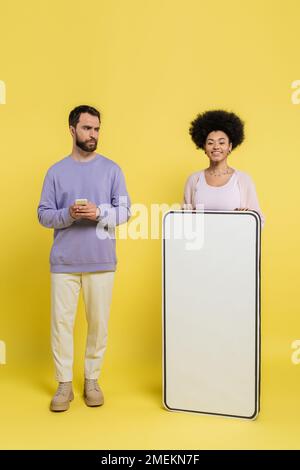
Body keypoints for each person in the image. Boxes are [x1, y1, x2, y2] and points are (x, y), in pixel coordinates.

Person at [37, 105, 131, 412]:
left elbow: (126, 211)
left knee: (98, 325)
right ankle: (64, 384)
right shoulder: (56, 171)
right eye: (88, 128)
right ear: (72, 130)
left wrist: (99, 212)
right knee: (61, 324)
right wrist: (68, 214)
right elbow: (43, 214)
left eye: (97, 129)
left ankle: (92, 380)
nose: (93, 134)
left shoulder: (112, 170)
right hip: (64, 262)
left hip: (101, 261)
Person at [182, 109, 265, 227]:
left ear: (230, 146)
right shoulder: (194, 180)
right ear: (204, 147)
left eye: (221, 143)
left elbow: (259, 220)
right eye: (210, 143)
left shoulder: (243, 180)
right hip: (200, 244)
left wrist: (246, 217)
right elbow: (182, 220)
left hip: (234, 244)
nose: (216, 147)